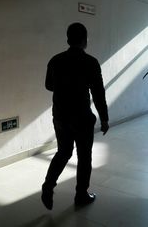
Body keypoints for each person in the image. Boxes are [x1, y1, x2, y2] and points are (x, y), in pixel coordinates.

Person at [41, 22, 109, 210]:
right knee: (84, 156)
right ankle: (81, 195)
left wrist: (64, 86)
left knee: (63, 152)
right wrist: (104, 118)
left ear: (68, 39)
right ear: (85, 40)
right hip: (81, 117)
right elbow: (98, 93)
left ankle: (48, 185)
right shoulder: (90, 62)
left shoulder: (55, 60)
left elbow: (48, 85)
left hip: (61, 115)